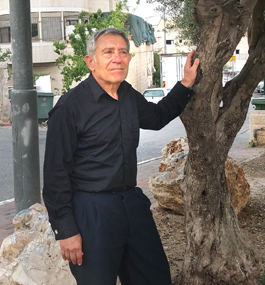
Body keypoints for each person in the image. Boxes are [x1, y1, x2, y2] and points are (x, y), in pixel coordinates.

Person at [43, 27, 199, 285]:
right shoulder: (69, 108)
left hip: (132, 205)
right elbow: (55, 175)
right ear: (90, 62)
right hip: (91, 211)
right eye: (108, 52)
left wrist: (185, 85)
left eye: (123, 52)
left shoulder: (127, 94)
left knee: (155, 277)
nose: (117, 58)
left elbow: (157, 117)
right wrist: (66, 231)